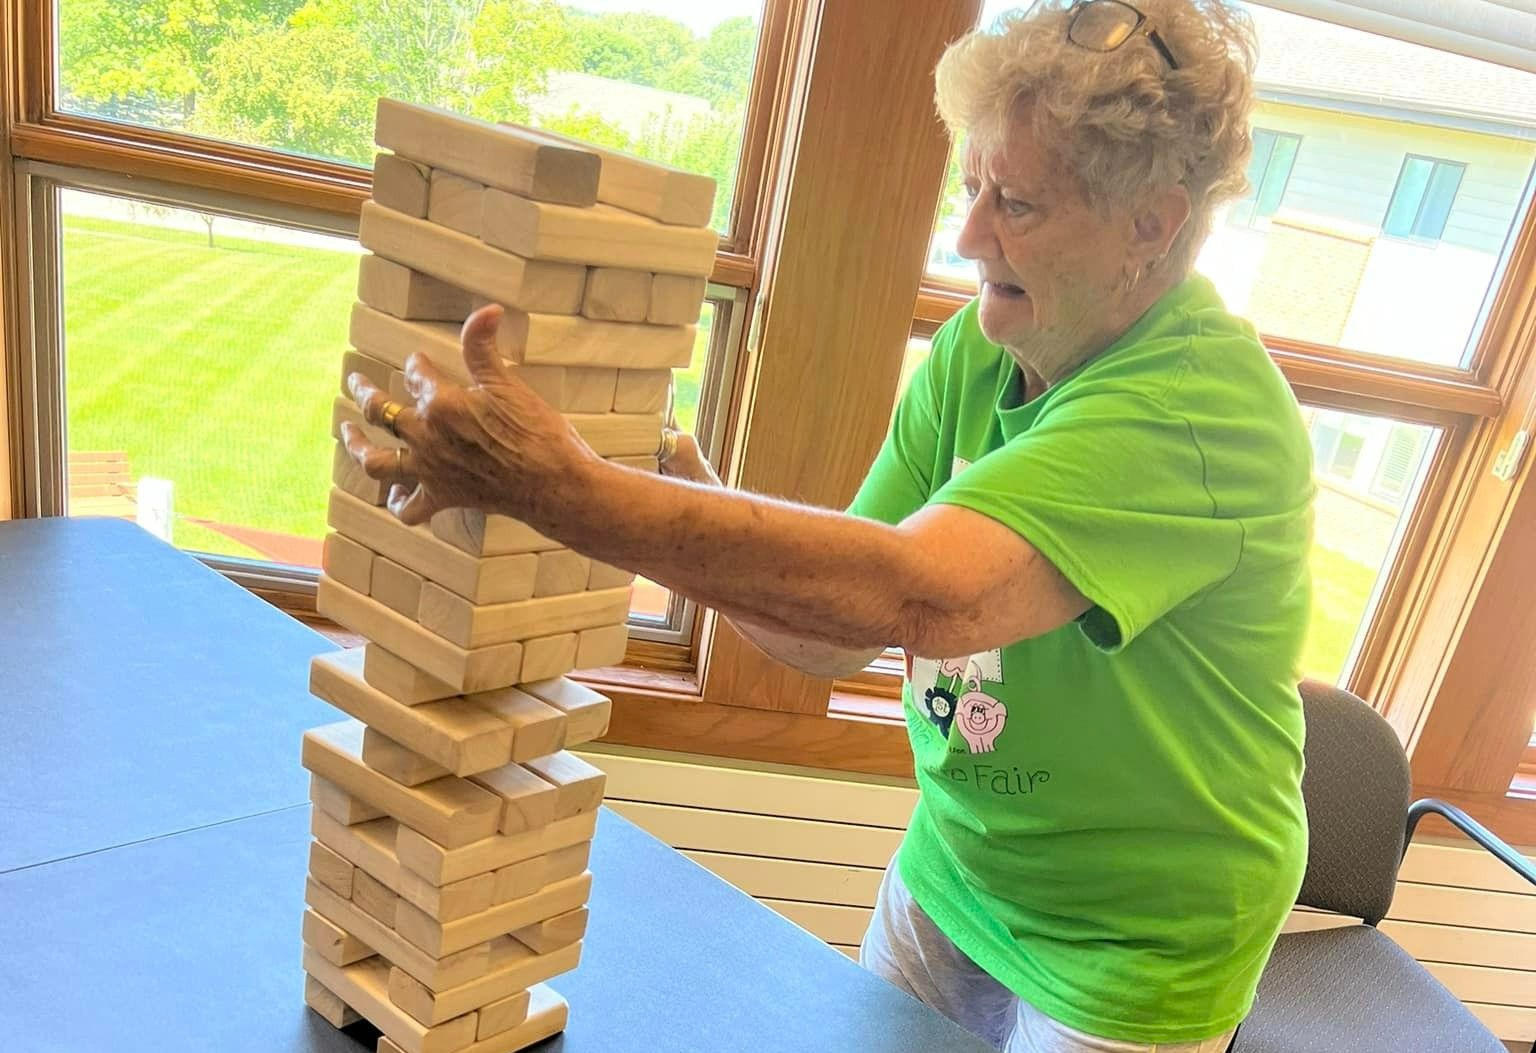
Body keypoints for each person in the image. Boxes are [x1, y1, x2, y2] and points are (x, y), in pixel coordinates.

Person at [340, 0, 1313, 1048]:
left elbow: (925, 594)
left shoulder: (1198, 408)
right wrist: (682, 494)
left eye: (1018, 204)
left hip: (1138, 940)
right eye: (973, 186)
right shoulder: (986, 346)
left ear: (1151, 227)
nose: (969, 234)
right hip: (960, 867)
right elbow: (837, 630)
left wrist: (563, 493)